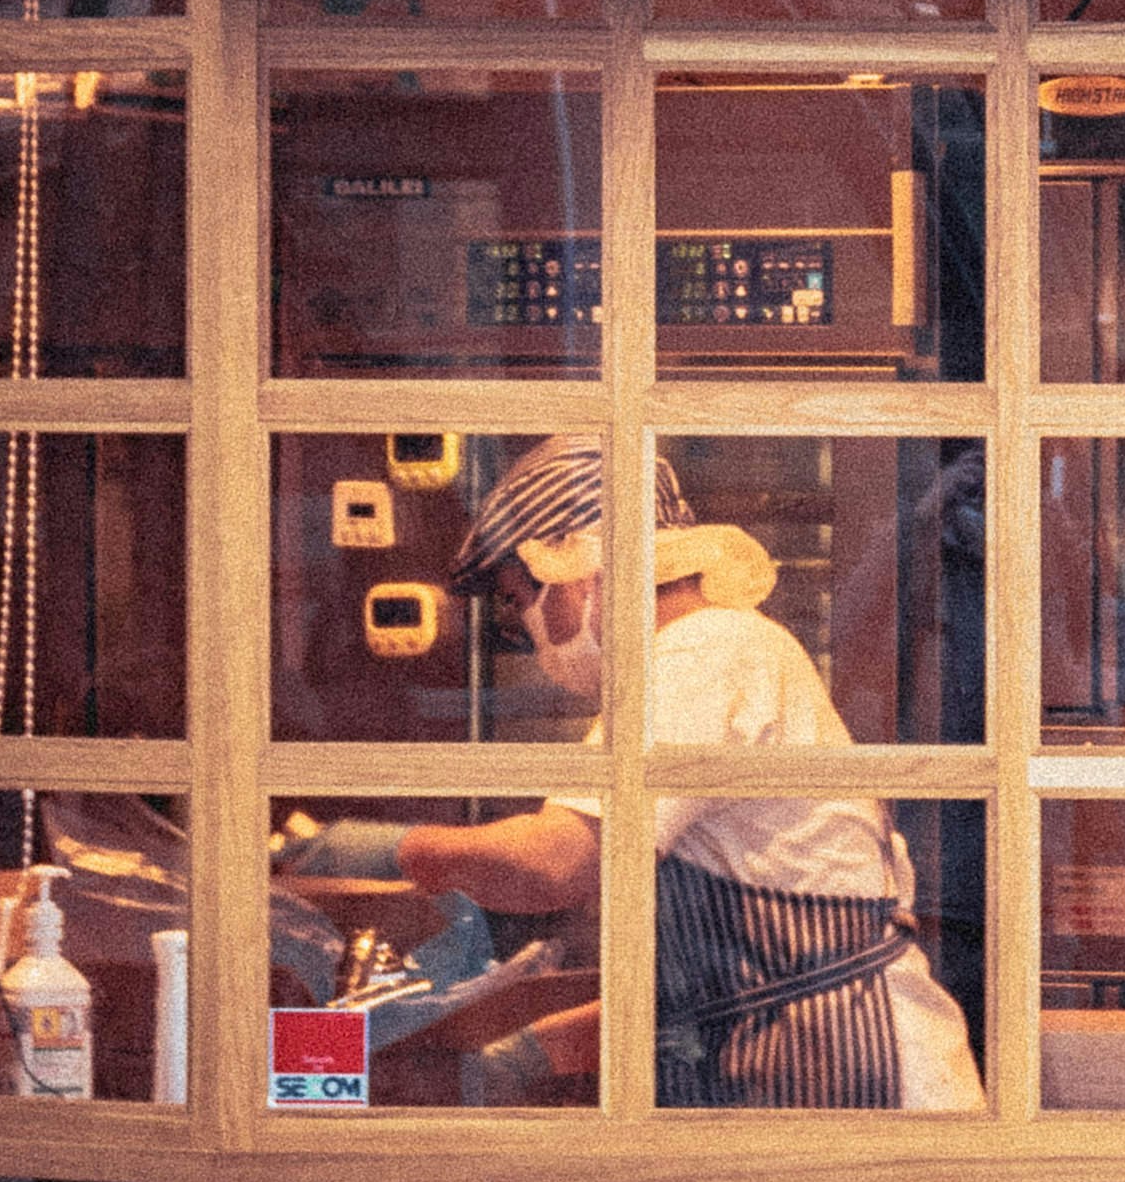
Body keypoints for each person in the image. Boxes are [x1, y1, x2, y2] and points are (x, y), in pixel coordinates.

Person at [277, 439, 981, 1110]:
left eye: (522, 599)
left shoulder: (702, 655)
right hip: (806, 1064)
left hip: (863, 1076)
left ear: (578, 567)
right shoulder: (704, 655)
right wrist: (523, 1056)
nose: (526, 626)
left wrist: (387, 849)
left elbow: (555, 864)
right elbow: (704, 993)